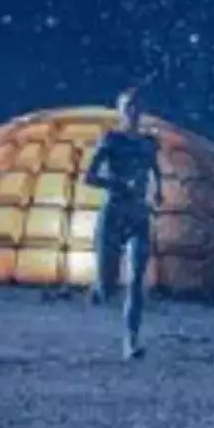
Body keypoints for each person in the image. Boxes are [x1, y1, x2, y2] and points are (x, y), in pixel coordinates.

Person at [83, 87, 163, 360]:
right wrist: (117, 184)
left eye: (138, 106)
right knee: (108, 287)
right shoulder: (111, 140)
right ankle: (99, 288)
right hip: (114, 214)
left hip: (138, 215)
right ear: (120, 111)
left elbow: (154, 169)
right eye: (129, 106)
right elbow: (89, 177)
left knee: (137, 279)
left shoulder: (149, 143)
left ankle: (131, 341)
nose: (134, 112)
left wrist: (158, 191)